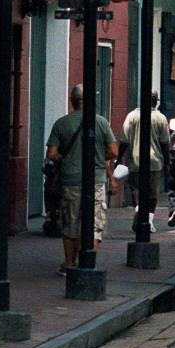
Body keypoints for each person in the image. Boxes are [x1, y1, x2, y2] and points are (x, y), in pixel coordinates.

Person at [46, 84, 118, 275]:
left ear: (72, 101)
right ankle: (87, 263)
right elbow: (113, 151)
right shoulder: (101, 122)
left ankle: (69, 264)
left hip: (70, 180)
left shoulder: (62, 123)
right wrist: (99, 157)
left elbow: (51, 154)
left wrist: (64, 158)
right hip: (96, 180)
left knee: (71, 222)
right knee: (94, 224)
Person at [122, 93, 172, 232]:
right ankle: (149, 220)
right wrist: (167, 162)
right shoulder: (160, 118)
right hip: (155, 161)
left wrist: (120, 157)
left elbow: (124, 140)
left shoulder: (132, 116)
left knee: (135, 189)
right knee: (152, 193)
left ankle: (139, 210)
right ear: (156, 101)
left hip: (135, 160)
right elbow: (165, 143)